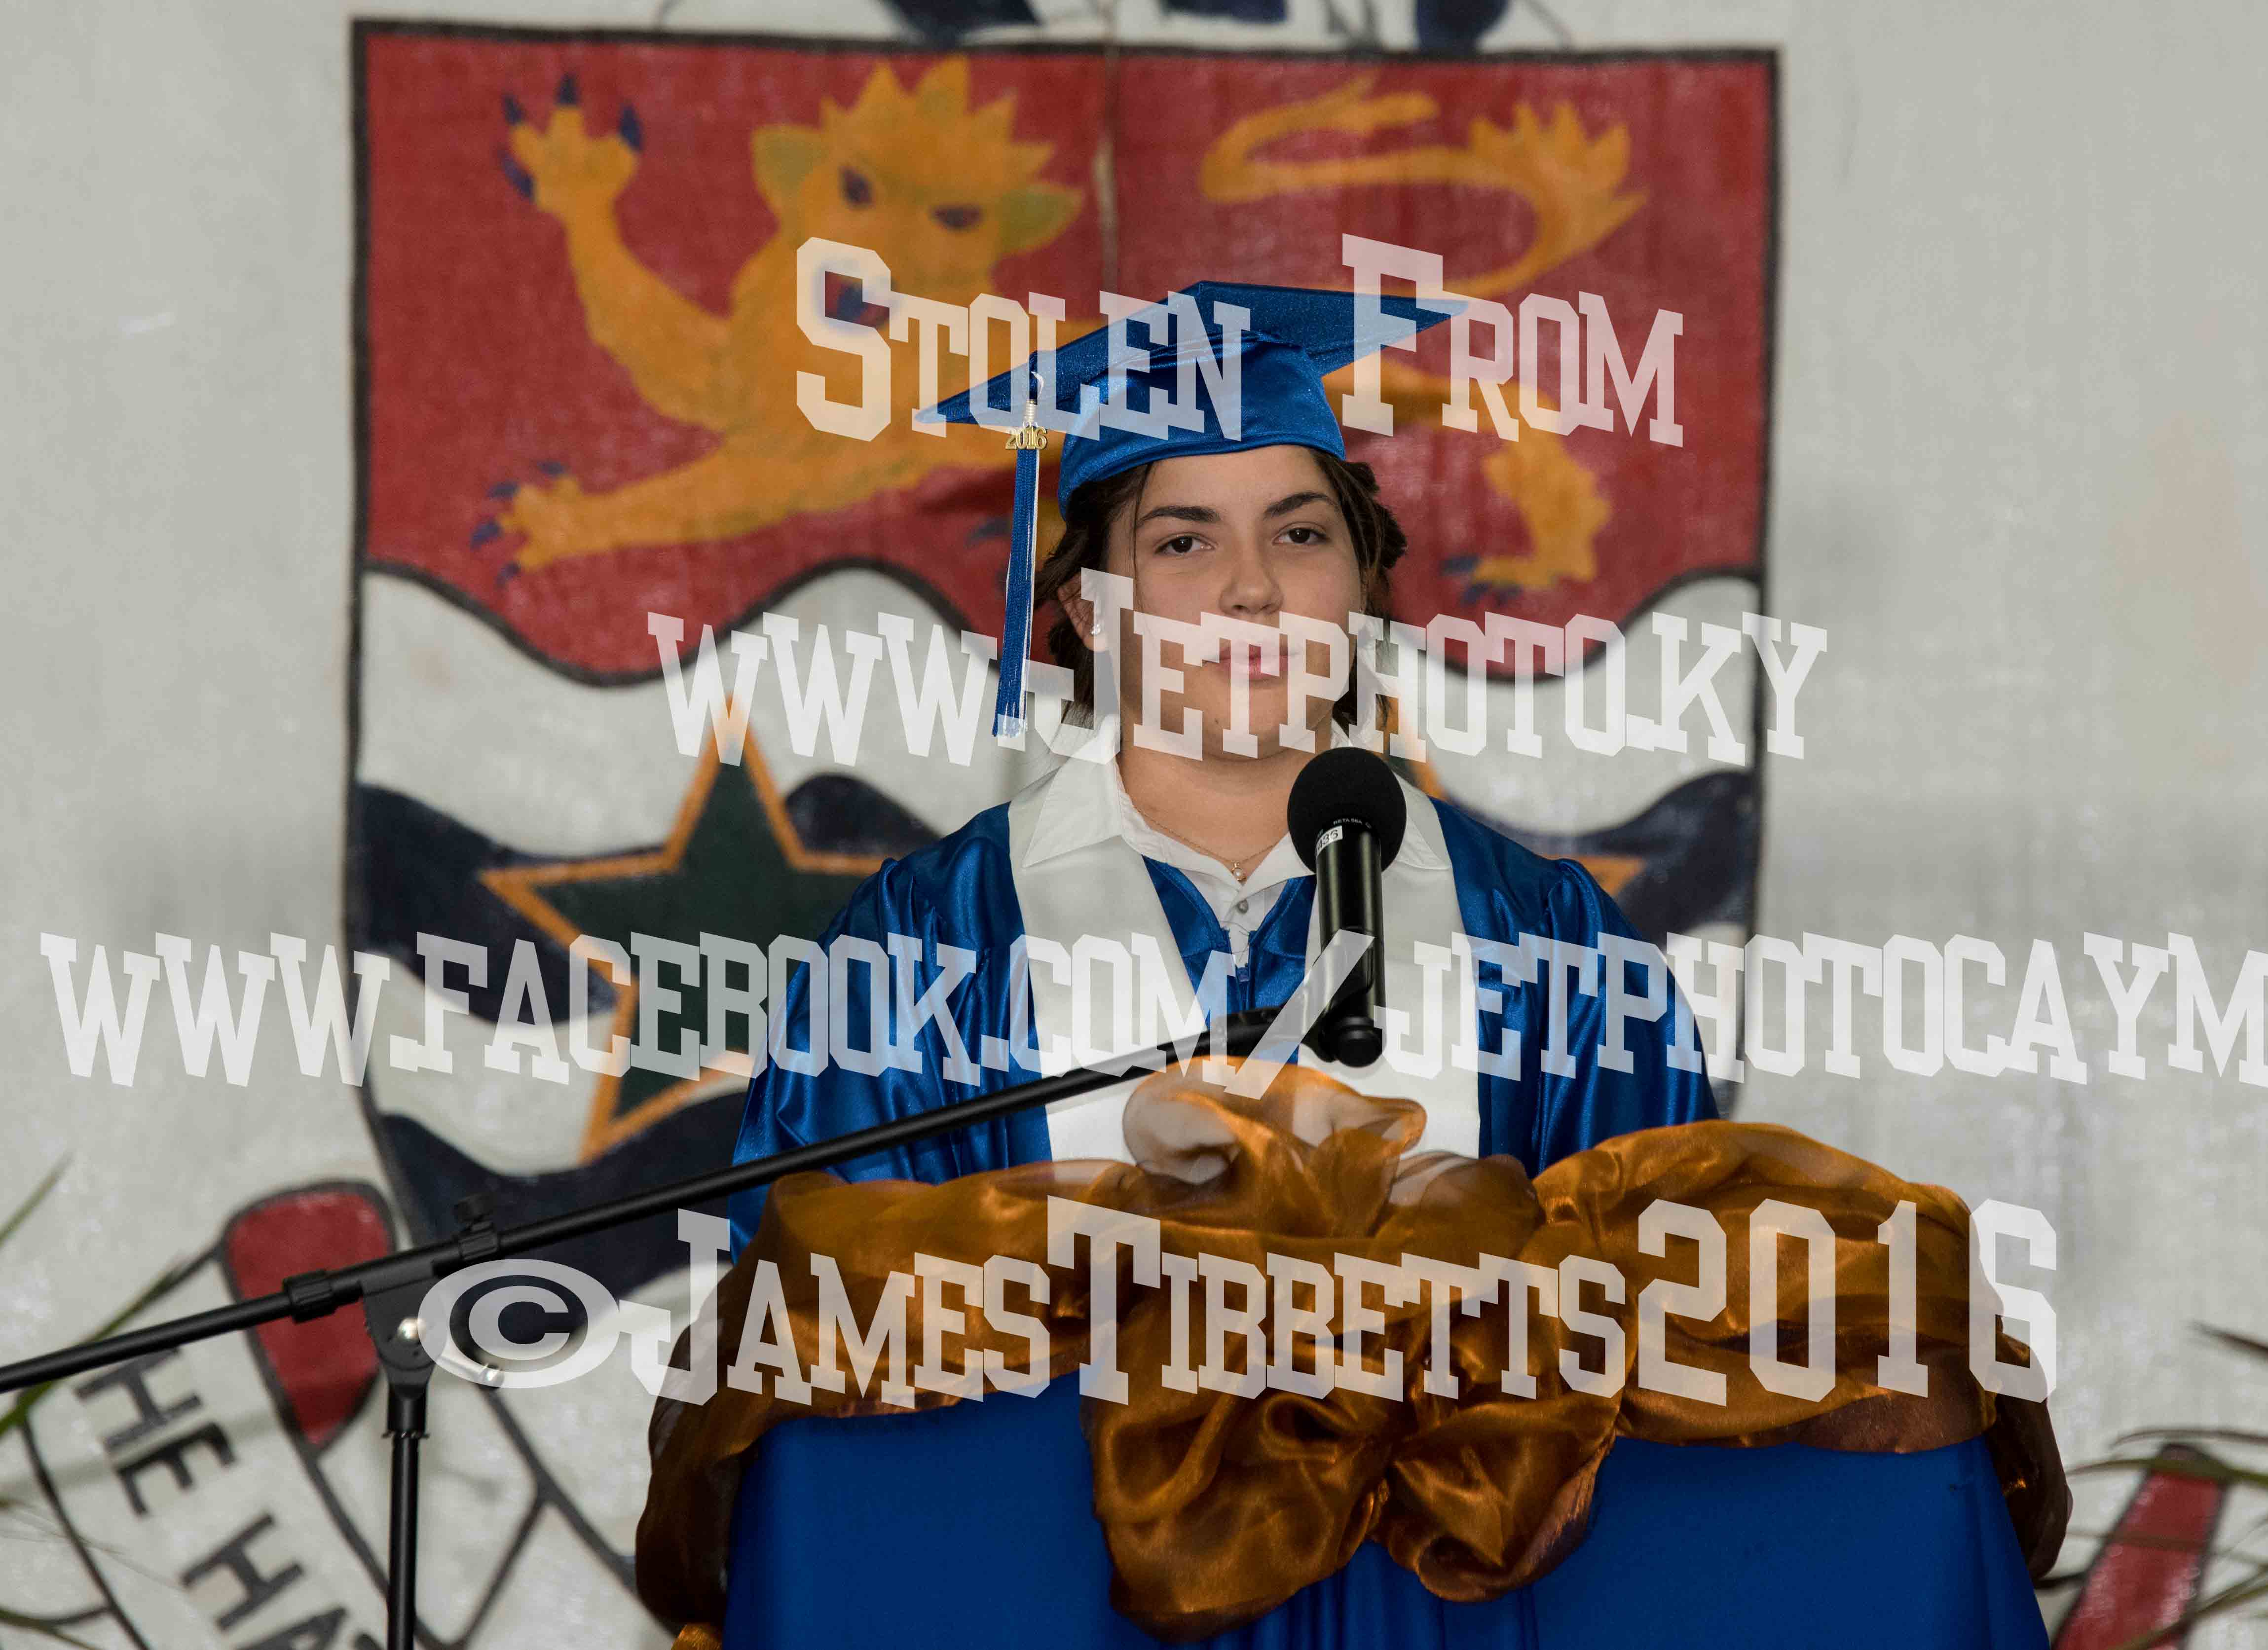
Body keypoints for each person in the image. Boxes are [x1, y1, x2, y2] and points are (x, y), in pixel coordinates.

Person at [706, 283, 2047, 1648]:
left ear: (1361, 589)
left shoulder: (1543, 936)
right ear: (1090, 611)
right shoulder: (928, 944)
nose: (1251, 588)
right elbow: (819, 1339)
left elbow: (1676, 1323)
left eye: (1301, 534)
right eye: (1183, 541)